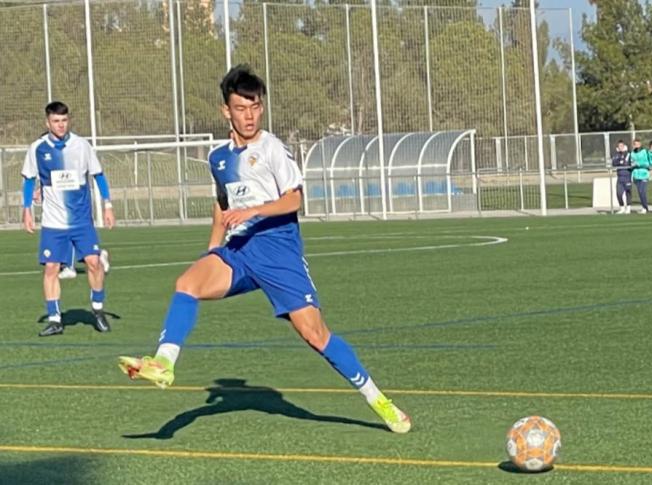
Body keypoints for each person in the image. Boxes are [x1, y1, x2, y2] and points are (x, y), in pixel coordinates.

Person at [118, 65, 411, 434]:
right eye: (241, 108)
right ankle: (164, 362)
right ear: (226, 110)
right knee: (186, 284)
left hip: (278, 253)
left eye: (255, 107)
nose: (250, 115)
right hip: (239, 252)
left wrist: (253, 211)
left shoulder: (272, 148)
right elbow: (222, 204)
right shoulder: (218, 158)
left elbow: (294, 199)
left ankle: (377, 398)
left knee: (316, 335)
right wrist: (212, 250)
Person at [21, 101, 115, 336]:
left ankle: (98, 309)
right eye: (56, 121)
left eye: (64, 120)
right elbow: (29, 180)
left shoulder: (82, 145)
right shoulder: (37, 148)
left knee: (94, 263)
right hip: (53, 223)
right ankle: (55, 319)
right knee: (51, 268)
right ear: (47, 123)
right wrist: (27, 209)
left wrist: (108, 205)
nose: (61, 125)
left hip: (81, 220)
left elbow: (98, 175)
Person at [630, 139, 651, 213]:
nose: (637, 145)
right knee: (639, 192)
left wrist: (638, 164)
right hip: (636, 175)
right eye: (635, 144)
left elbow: (647, 163)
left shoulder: (644, 152)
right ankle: (644, 207)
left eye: (638, 144)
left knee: (642, 192)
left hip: (644, 174)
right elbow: (632, 162)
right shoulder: (632, 153)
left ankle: (645, 208)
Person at [611, 140, 632, 214]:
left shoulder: (628, 154)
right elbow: (614, 163)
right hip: (620, 176)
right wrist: (620, 161)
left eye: (622, 146)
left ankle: (628, 208)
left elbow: (628, 163)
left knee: (628, 192)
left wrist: (622, 161)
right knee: (619, 193)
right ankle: (622, 207)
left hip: (627, 176)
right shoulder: (616, 155)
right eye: (619, 146)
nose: (621, 147)